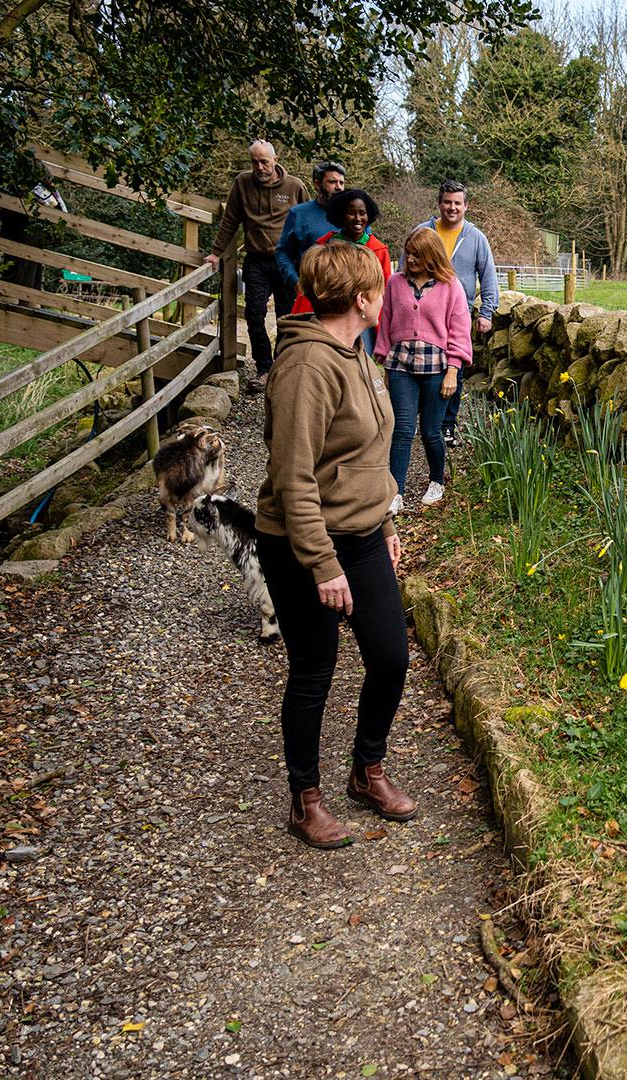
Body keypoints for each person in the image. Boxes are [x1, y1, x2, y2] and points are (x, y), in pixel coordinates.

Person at [257, 242, 417, 849]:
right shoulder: (306, 368)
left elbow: (370, 453)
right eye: (382, 286)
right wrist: (322, 564)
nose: (388, 293)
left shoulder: (357, 353)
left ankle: (366, 771)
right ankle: (306, 800)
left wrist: (385, 525)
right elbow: (294, 478)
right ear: (361, 299)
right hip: (301, 545)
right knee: (314, 671)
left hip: (363, 536)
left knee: (390, 657)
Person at [374, 227, 471, 513]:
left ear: (431, 256)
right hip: (401, 364)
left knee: (431, 431)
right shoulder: (395, 282)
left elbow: (460, 330)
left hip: (437, 368)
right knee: (402, 429)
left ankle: (436, 481)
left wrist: (453, 370)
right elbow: (386, 319)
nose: (410, 258)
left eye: (417, 254)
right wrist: (382, 362)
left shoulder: (450, 285)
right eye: (408, 253)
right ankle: (397, 491)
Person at [205, 140, 308, 384]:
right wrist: (216, 253)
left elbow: (307, 221)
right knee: (253, 314)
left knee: (286, 316)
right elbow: (230, 219)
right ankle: (264, 368)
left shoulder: (294, 187)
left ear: (275, 160)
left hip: (287, 262)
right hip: (257, 260)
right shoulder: (242, 183)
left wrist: (310, 260)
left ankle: (281, 367)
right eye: (254, 162)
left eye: (264, 162)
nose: (259, 167)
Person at [418, 181, 499, 445]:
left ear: (466, 206)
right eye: (447, 202)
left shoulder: (476, 237)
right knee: (423, 367)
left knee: (455, 370)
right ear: (439, 203)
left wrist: (486, 312)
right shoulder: (423, 232)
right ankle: (425, 420)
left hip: (459, 315)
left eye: (457, 203)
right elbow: (404, 270)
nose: (452, 208)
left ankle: (447, 426)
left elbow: (488, 277)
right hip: (425, 313)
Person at [290, 189, 390, 317]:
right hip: (329, 316)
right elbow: (312, 288)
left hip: (364, 318)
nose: (358, 219)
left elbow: (383, 292)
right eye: (351, 213)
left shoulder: (378, 250)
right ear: (341, 215)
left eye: (362, 213)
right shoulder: (324, 247)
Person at [274, 161, 348, 315]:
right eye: (332, 182)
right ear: (317, 184)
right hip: (309, 295)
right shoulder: (298, 214)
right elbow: (283, 252)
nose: (339, 187)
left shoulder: (355, 215)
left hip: (346, 296)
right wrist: (295, 281)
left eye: (341, 182)